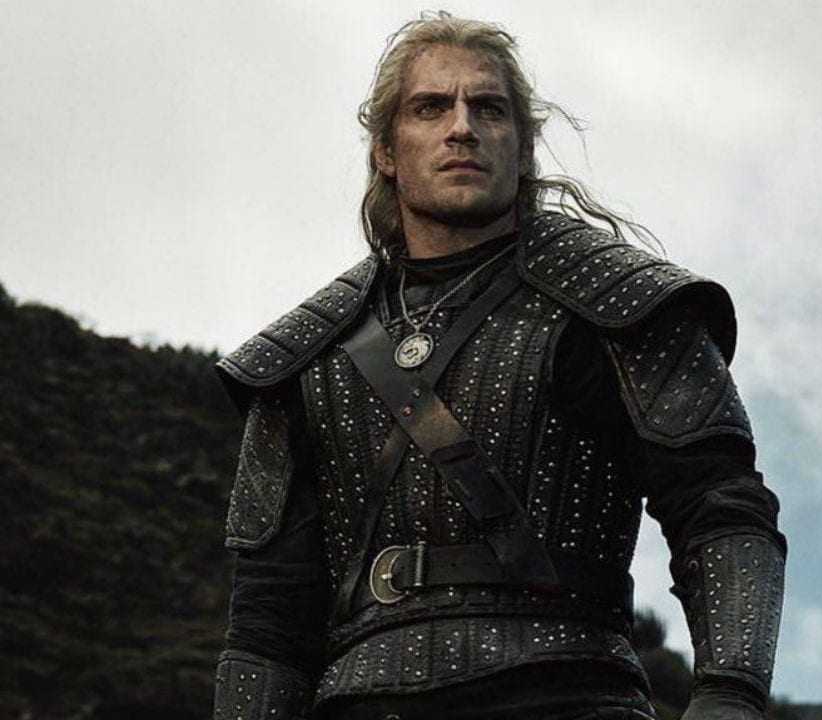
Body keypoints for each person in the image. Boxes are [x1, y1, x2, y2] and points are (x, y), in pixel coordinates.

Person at [212, 12, 785, 720]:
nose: (462, 127)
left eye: (488, 108)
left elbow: (720, 509)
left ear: (522, 148)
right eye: (431, 107)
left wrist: (730, 695)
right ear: (387, 150)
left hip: (567, 693)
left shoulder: (613, 304)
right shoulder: (307, 356)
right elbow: (269, 619)